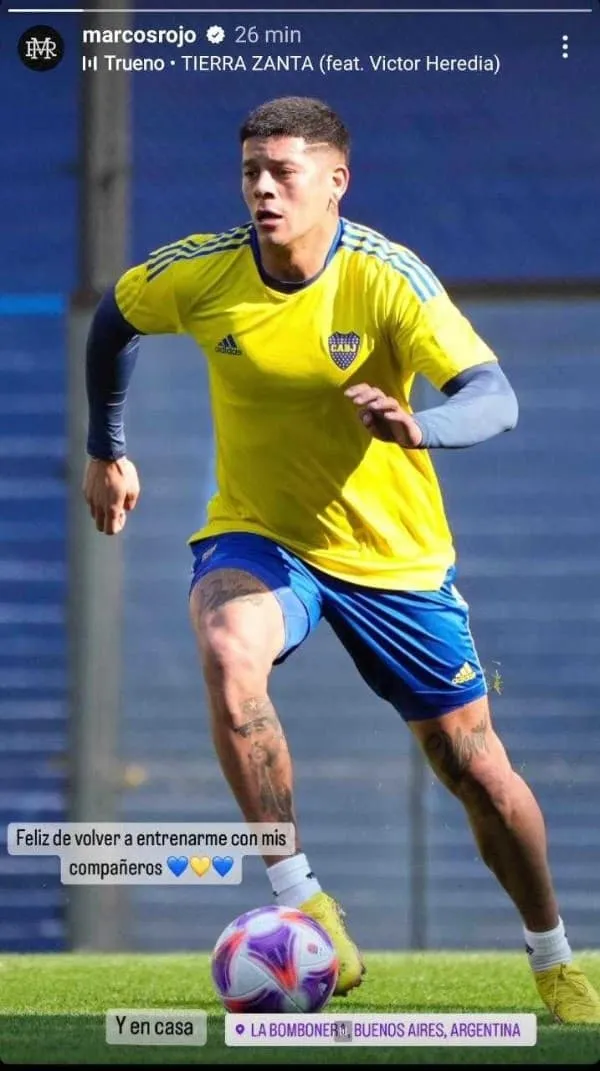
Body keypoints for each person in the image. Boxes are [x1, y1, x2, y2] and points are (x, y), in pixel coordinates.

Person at [83, 95, 599, 1022]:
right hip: (261, 534)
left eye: (283, 172)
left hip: (395, 562)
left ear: (336, 181)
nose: (263, 189)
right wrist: (106, 449)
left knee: (475, 768)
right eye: (251, 172)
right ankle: (303, 899)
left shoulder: (387, 278)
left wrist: (421, 425)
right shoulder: (202, 272)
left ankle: (555, 958)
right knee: (227, 648)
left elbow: (496, 397)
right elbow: (114, 319)